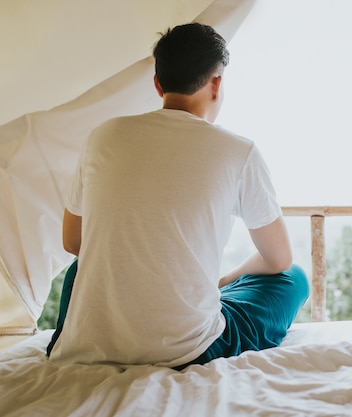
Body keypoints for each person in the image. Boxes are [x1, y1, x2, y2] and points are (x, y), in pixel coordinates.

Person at [46, 22, 309, 369]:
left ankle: (75, 335)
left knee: (82, 268)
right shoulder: (238, 151)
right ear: (217, 84)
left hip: (89, 343)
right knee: (295, 278)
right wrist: (224, 280)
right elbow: (278, 261)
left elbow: (74, 242)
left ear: (158, 83)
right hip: (187, 350)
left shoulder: (103, 136)